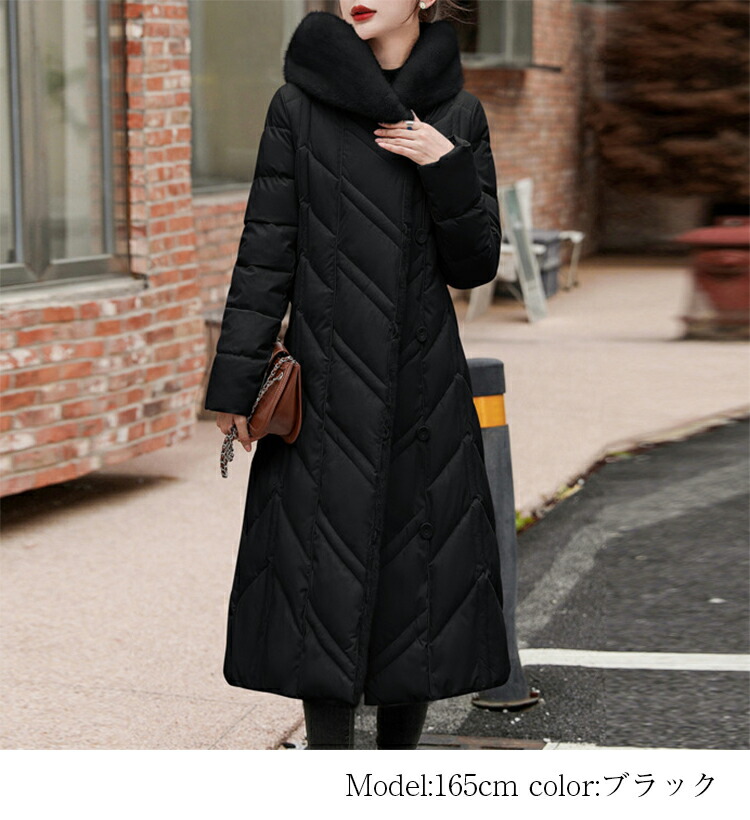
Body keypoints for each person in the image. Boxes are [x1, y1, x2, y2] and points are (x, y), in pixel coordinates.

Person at [204, 0, 512, 750]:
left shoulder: (459, 116)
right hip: (324, 385)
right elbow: (265, 250)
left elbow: (475, 264)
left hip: (424, 389)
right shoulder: (297, 107)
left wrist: (445, 166)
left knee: (419, 589)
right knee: (316, 579)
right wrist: (237, 383)